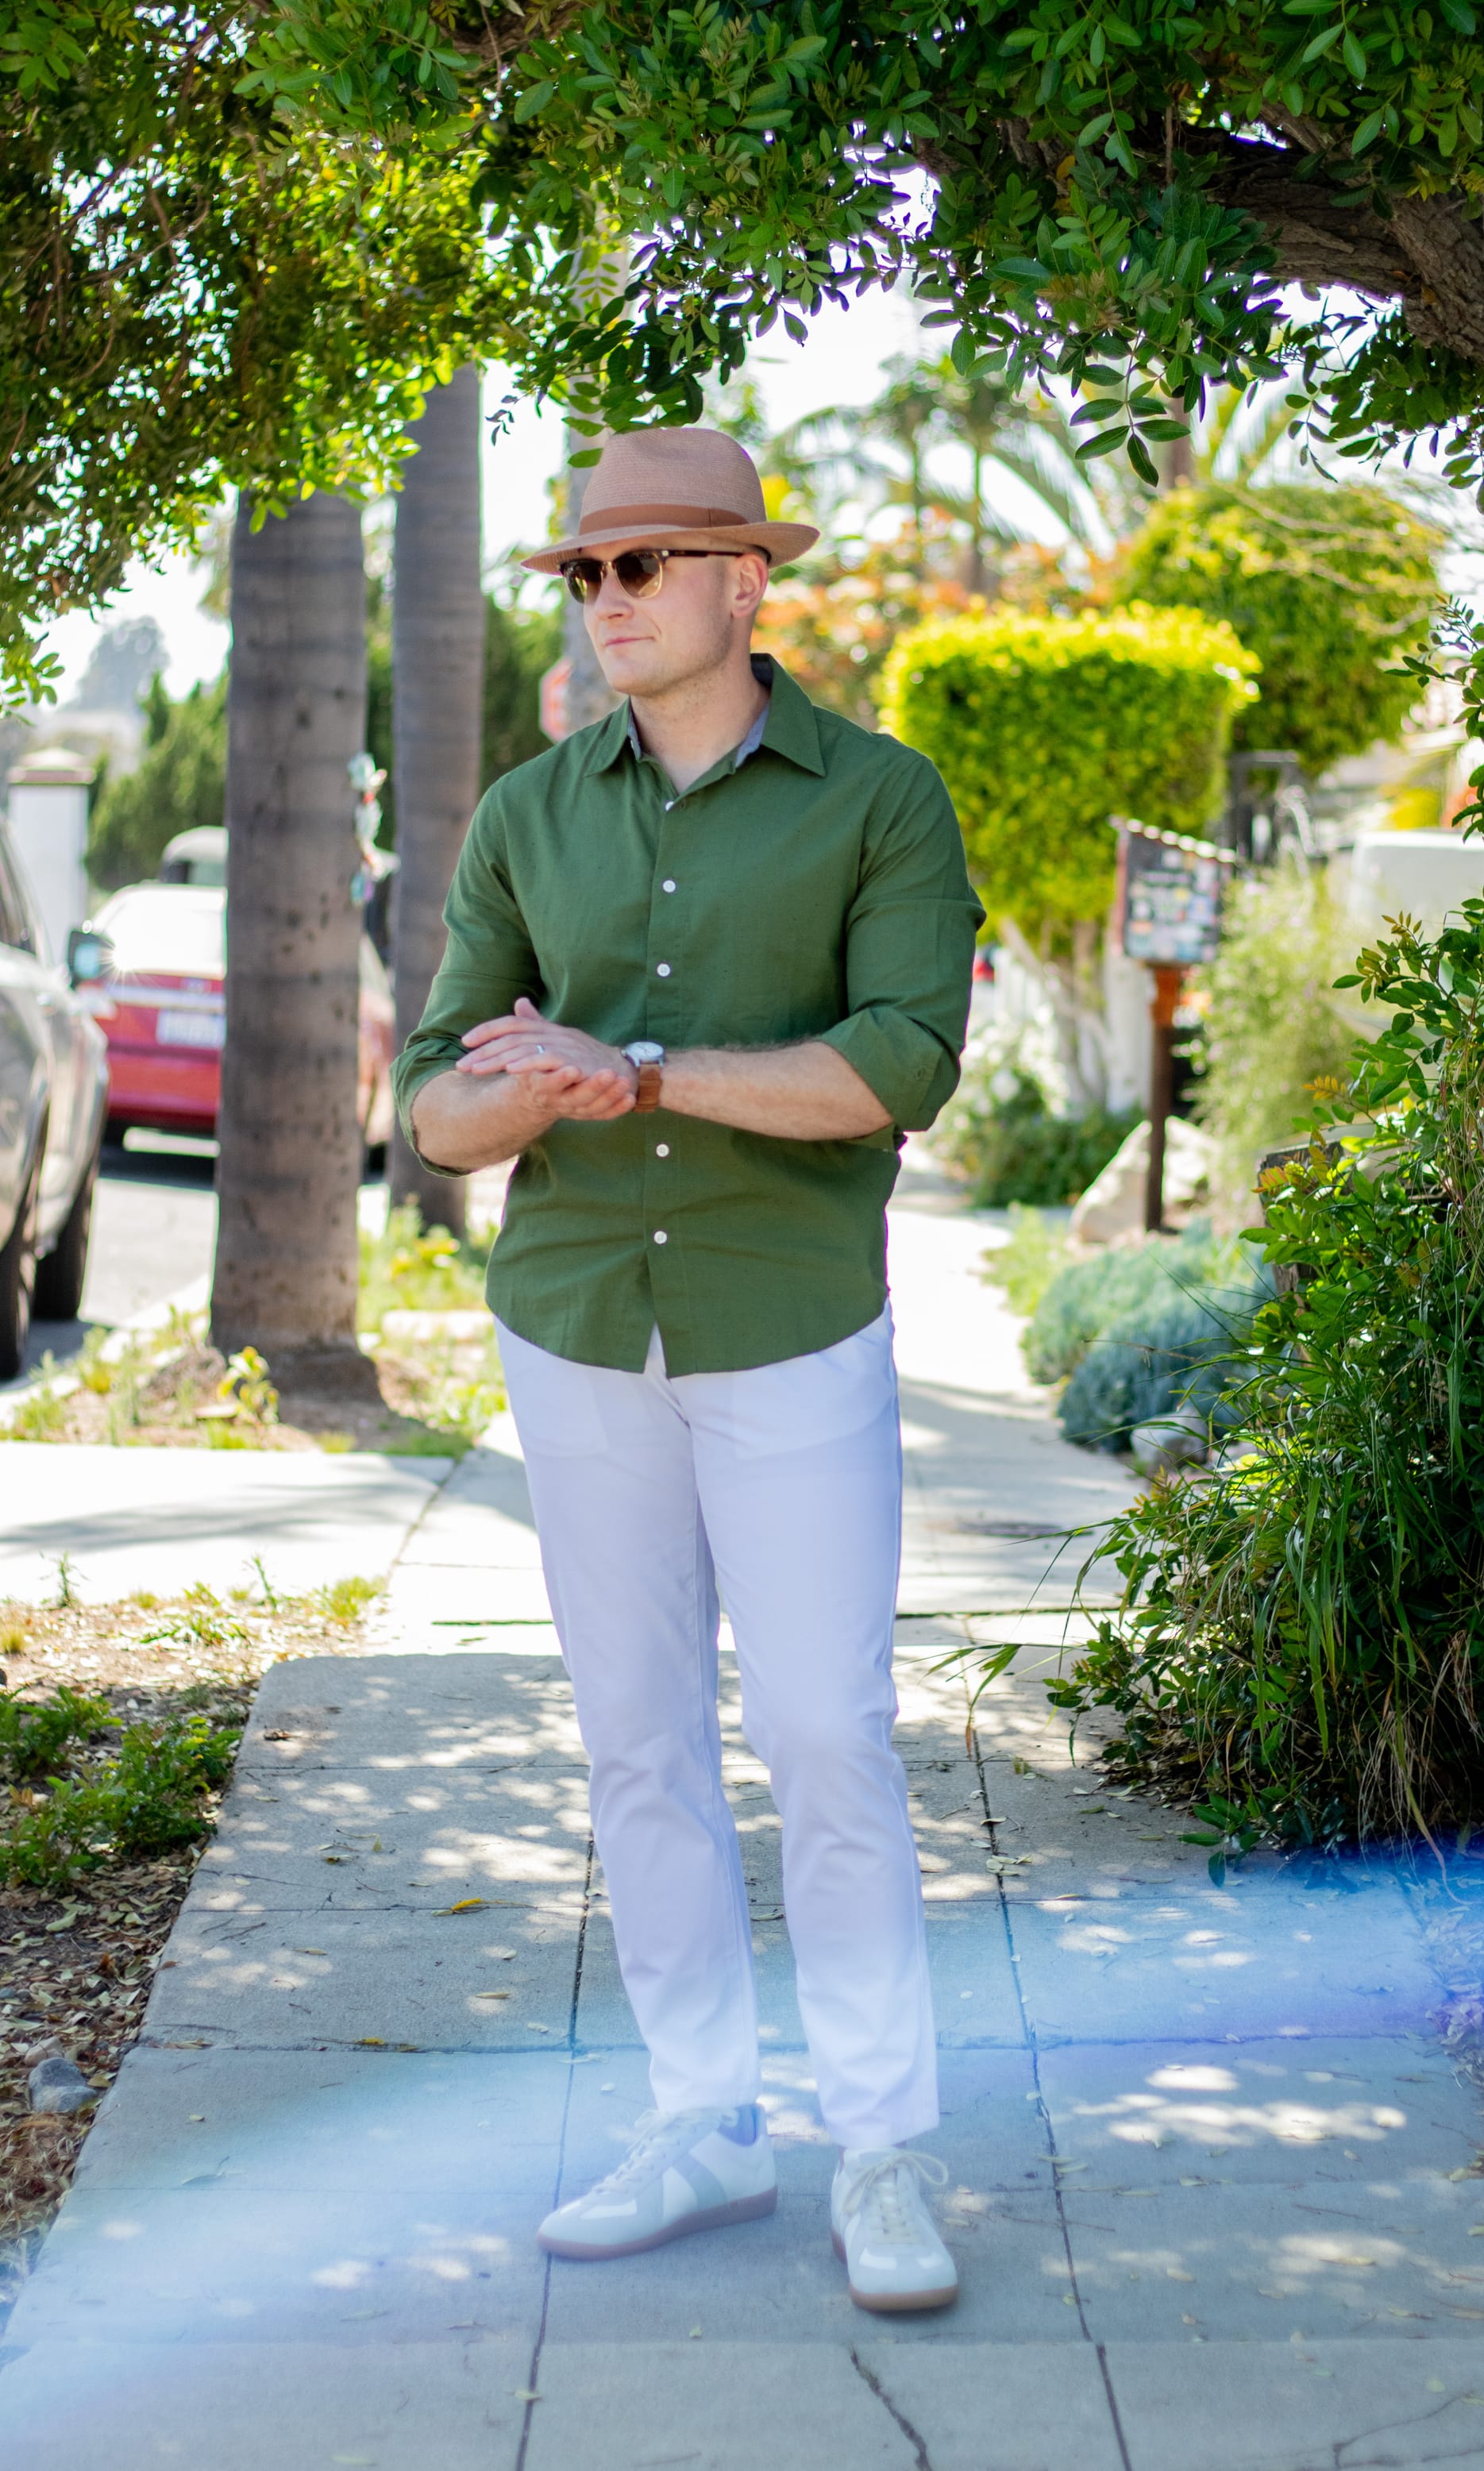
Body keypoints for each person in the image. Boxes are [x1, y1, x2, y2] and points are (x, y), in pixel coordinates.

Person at [392, 426, 983, 2315]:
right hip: (577, 1325)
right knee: (639, 1739)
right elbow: (432, 1105)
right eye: (585, 571)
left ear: (745, 580)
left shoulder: (879, 798)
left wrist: (638, 1069)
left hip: (788, 1319)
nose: (607, 600)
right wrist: (526, 1086)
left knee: (824, 1731)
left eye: (642, 565)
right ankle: (703, 2122)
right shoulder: (526, 814)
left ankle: (878, 2144)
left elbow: (897, 1064)